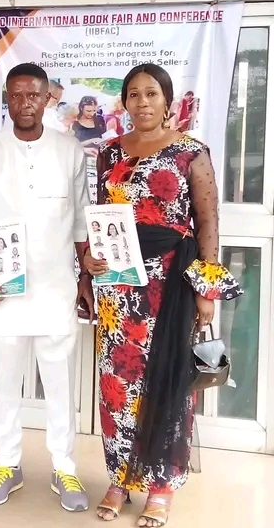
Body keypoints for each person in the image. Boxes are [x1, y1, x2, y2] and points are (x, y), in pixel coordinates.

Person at [84, 63, 242, 526]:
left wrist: (206, 290)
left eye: (151, 93)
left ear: (167, 101)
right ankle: (120, 477)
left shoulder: (190, 152)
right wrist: (91, 258)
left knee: (168, 382)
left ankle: (160, 486)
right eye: (133, 94)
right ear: (125, 103)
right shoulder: (110, 152)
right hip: (118, 287)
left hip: (171, 282)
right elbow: (103, 216)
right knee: (117, 384)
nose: (142, 102)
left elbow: (208, 223)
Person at [0, 62, 94, 512]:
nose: (24, 103)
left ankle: (65, 468)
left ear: (47, 98)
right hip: (3, 293)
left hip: (56, 293)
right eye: (15, 95)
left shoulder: (69, 151)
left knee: (60, 388)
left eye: (33, 95)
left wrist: (85, 277)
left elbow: (81, 221)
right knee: (7, 387)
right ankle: (7, 463)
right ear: (6, 100)